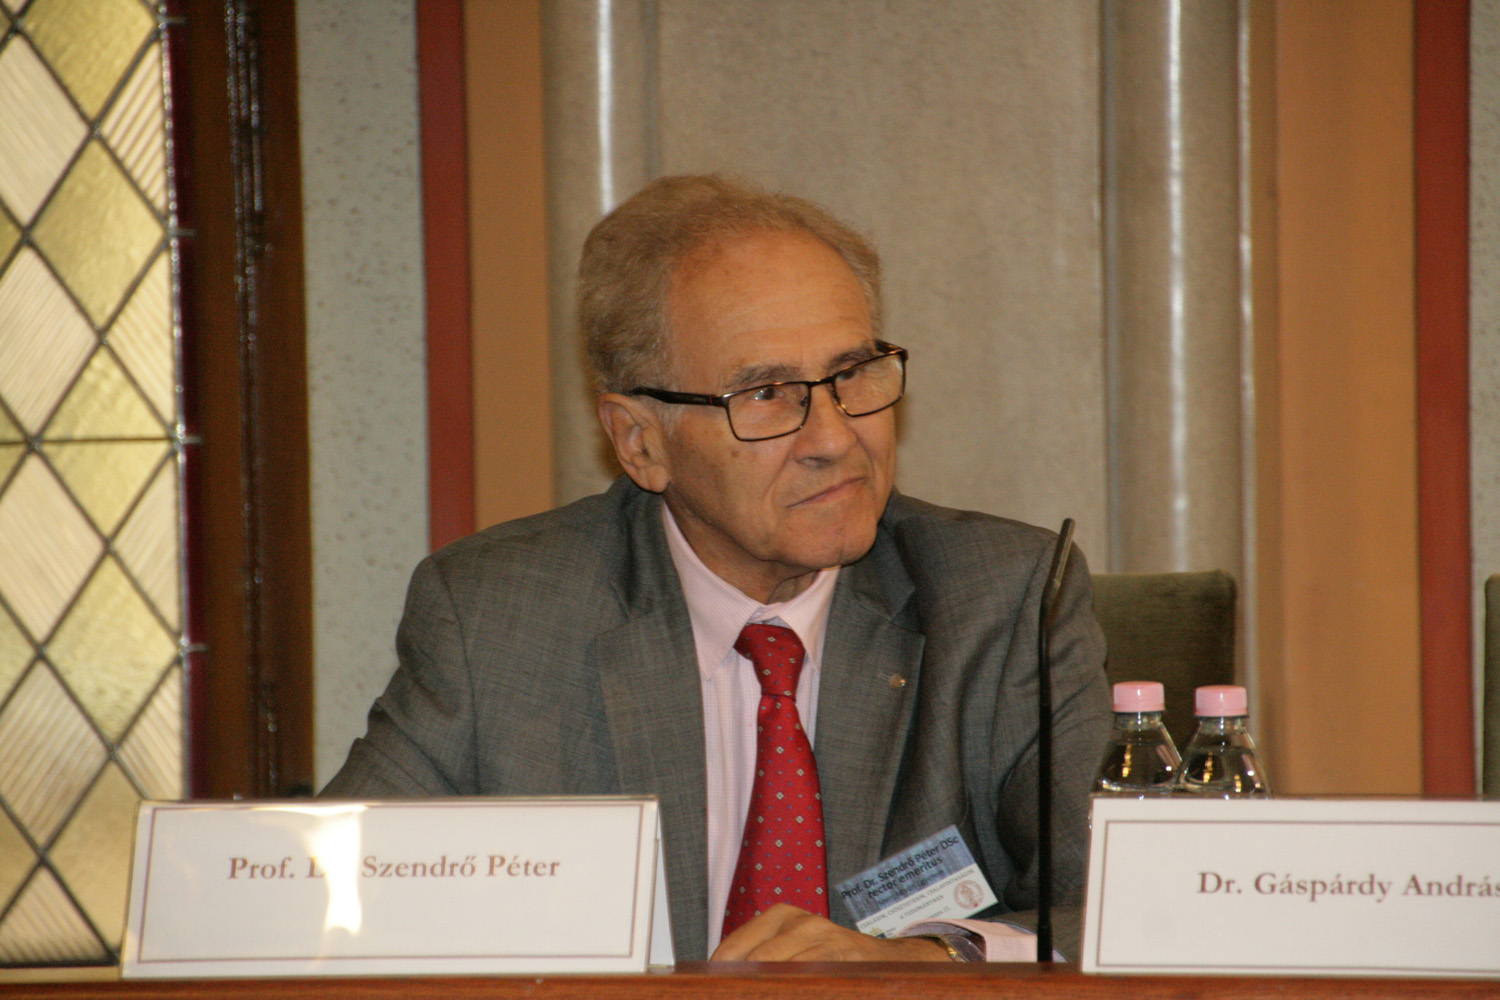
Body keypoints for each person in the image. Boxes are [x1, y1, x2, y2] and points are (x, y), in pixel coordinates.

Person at [324, 174, 1111, 962]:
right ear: (641, 442)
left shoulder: (1004, 600)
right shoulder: (498, 618)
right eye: (766, 393)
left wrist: (927, 963)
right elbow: (329, 909)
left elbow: (1119, 906)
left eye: (851, 375)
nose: (834, 438)